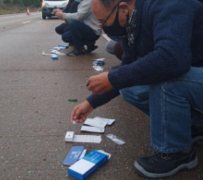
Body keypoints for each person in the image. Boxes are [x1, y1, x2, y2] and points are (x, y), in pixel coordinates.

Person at [70, 0, 203, 178]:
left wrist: (112, 77)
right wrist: (90, 103)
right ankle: (194, 125)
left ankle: (177, 153)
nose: (102, 27)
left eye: (103, 21)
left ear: (123, 8)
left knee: (166, 82)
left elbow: (172, 60)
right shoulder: (132, 23)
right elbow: (128, 69)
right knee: (130, 88)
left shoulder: (170, 4)